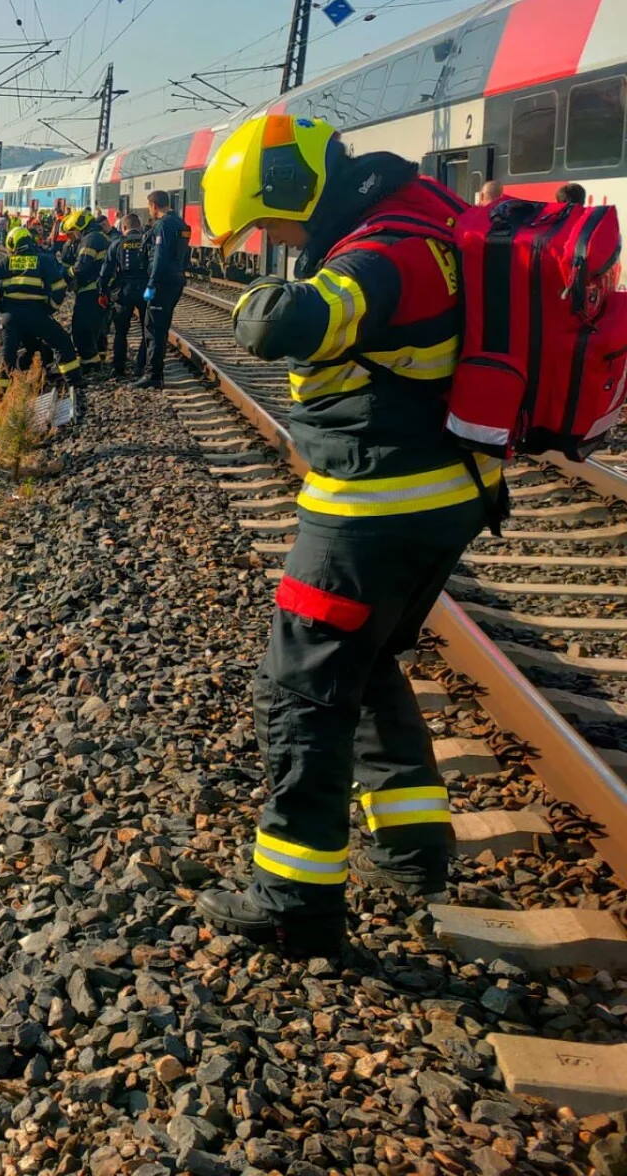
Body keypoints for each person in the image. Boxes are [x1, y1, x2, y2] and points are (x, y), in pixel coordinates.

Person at [190, 112, 505, 960]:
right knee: (363, 667)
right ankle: (412, 848)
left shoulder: (381, 250)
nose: (273, 240)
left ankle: (295, 899)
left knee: (299, 691)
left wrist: (263, 300)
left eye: (270, 222)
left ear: (298, 189)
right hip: (440, 494)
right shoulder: (419, 216)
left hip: (375, 508)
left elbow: (295, 321)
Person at [0, 228, 82, 390]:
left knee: (6, 357)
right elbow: (60, 286)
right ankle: (73, 382)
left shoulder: (7, 262)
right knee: (62, 342)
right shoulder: (43, 261)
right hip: (36, 314)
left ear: (13, 244)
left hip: (10, 317)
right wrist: (51, 308)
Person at [134, 190, 189, 389]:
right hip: (176, 280)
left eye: (149, 207)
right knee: (161, 327)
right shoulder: (180, 223)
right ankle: (153, 371)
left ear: (154, 206)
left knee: (153, 329)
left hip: (162, 283)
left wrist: (151, 284)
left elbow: (160, 257)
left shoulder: (163, 225)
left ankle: (153, 375)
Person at [104, 211, 151, 377]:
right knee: (147, 331)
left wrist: (103, 291)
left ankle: (119, 368)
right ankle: (141, 366)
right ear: (139, 227)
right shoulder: (148, 242)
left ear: (123, 227)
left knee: (121, 332)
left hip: (123, 292)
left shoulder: (117, 244)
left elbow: (106, 271)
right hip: (146, 292)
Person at [69, 209, 114, 370]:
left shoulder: (90, 239)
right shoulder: (100, 236)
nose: (73, 236)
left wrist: (67, 273)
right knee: (98, 327)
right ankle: (99, 357)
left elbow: (82, 265)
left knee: (81, 328)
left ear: (80, 227)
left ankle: (90, 363)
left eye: (73, 232)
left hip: (90, 291)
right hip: (101, 289)